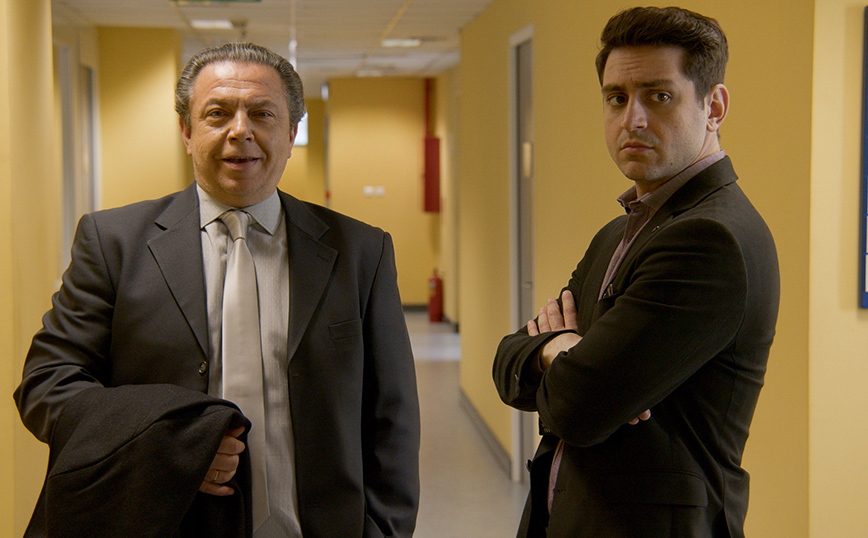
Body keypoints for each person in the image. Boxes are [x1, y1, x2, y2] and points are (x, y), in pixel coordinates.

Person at [15, 42, 420, 538]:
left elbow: (392, 417)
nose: (240, 130)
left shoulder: (360, 251)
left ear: (291, 133)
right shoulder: (113, 243)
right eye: (217, 113)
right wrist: (170, 447)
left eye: (262, 114)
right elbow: (47, 384)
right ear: (187, 132)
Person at [493, 7, 780, 538]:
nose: (633, 119)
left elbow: (578, 409)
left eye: (659, 96)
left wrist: (561, 360)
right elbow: (507, 361)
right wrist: (560, 349)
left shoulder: (709, 239)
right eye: (617, 98)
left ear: (714, 106)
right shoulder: (618, 232)